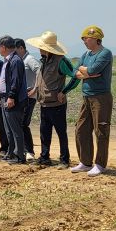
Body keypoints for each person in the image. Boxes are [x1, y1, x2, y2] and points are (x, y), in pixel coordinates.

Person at [27, 31, 78, 166]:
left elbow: (76, 76)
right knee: (44, 132)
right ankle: (44, 157)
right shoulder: (44, 61)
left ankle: (64, 159)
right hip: (44, 103)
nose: (39, 49)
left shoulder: (61, 61)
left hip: (57, 104)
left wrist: (64, 91)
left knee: (61, 132)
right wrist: (35, 90)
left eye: (41, 46)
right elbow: (42, 79)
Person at [71, 25, 113, 177]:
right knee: (81, 128)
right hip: (86, 96)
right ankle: (85, 162)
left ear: (96, 38)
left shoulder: (105, 53)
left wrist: (88, 72)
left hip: (101, 97)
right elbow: (75, 72)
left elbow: (93, 70)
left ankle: (100, 164)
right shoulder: (86, 54)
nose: (84, 41)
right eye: (83, 39)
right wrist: (87, 72)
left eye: (86, 38)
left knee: (101, 130)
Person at [0, 36, 27, 164]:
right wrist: (2, 94)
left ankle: (20, 156)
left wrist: (11, 96)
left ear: (3, 47)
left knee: (15, 129)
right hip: (5, 97)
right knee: (8, 129)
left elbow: (16, 81)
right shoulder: (7, 60)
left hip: (13, 99)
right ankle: (11, 153)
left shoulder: (15, 61)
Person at [17, 39, 39, 161]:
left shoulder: (29, 59)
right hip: (22, 97)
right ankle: (23, 150)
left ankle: (29, 151)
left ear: (21, 48)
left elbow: (39, 72)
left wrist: (35, 89)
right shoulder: (20, 60)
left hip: (29, 96)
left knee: (24, 124)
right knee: (20, 123)